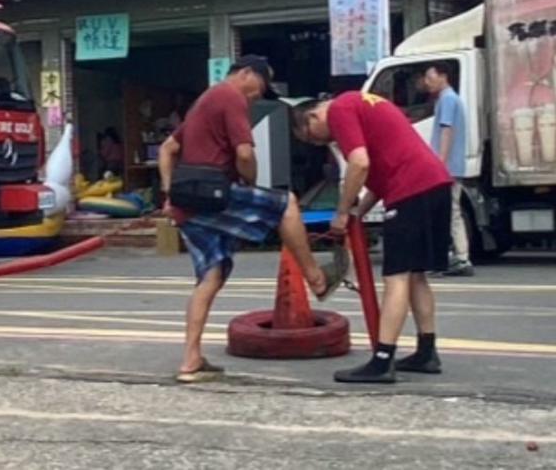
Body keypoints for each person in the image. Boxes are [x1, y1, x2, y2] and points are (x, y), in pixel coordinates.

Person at [159, 55, 330, 383]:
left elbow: (168, 148)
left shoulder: (203, 101)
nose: (257, 95)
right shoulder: (230, 96)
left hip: (186, 203)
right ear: (246, 74)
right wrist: (250, 184)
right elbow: (245, 154)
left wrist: (169, 195)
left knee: (212, 275)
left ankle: (191, 360)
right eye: (260, 86)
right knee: (287, 204)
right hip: (213, 194)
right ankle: (315, 277)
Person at [293, 92, 453, 383]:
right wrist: (357, 213)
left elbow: (360, 163)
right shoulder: (364, 104)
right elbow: (378, 181)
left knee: (397, 277)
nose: (319, 143)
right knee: (416, 275)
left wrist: (341, 211)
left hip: (412, 190)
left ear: (313, 116)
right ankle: (427, 351)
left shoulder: (340, 108)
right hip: (434, 184)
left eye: (312, 137)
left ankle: (382, 360)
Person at [424, 63, 474, 277]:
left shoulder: (447, 99)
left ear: (443, 76)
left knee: (450, 213)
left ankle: (461, 258)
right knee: (451, 212)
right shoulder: (449, 99)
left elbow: (446, 131)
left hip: (448, 167)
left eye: (429, 77)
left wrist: (440, 163)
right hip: (452, 166)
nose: (427, 82)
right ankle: (458, 257)